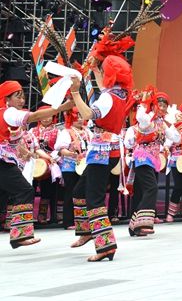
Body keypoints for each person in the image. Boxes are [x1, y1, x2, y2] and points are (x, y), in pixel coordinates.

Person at [69, 55, 133, 262]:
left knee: (94, 198)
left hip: (101, 153)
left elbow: (88, 113)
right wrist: (96, 70)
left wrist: (75, 92)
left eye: (104, 71)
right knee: (79, 191)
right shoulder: (121, 93)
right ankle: (87, 231)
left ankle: (106, 246)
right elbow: (104, 88)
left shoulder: (107, 98)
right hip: (109, 150)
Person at [0, 81, 72, 248]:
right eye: (17, 97)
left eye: (23, 97)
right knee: (24, 190)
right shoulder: (8, 112)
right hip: (3, 162)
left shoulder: (7, 114)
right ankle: (19, 235)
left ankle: (19, 234)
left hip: (7, 161)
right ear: (7, 99)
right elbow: (34, 116)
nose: (22, 100)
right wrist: (61, 107)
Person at [123, 91, 167, 236]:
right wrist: (143, 100)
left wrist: (176, 125)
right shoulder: (145, 121)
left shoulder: (161, 124)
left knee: (142, 192)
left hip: (153, 161)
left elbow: (174, 138)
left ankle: (133, 227)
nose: (162, 108)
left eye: (164, 106)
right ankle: (142, 224)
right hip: (141, 158)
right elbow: (129, 142)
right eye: (159, 105)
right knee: (151, 188)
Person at [54, 108, 90, 229]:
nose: (79, 119)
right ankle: (69, 221)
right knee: (71, 192)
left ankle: (83, 220)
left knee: (84, 192)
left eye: (81, 116)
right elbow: (61, 150)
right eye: (76, 117)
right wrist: (72, 153)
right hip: (70, 166)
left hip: (84, 165)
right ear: (70, 118)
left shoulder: (87, 131)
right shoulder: (66, 132)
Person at [30, 107, 61, 224]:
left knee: (47, 191)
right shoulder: (32, 131)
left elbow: (58, 148)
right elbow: (30, 146)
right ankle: (27, 216)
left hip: (50, 164)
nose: (46, 119)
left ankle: (42, 215)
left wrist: (52, 158)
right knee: (30, 190)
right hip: (34, 163)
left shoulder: (58, 131)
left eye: (49, 116)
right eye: (43, 116)